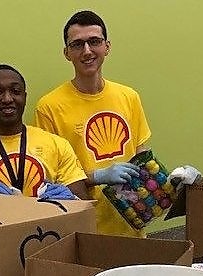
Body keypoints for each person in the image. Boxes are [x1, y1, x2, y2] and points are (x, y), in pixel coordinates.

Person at [34, 10, 152, 236]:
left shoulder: (129, 97)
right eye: (77, 44)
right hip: (83, 229)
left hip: (131, 225)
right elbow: (49, 181)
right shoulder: (49, 107)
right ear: (66, 53)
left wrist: (170, 182)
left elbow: (142, 156)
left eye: (94, 42)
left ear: (107, 46)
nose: (87, 51)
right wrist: (97, 176)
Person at [0, 64, 89, 200]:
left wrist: (72, 199)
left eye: (15, 91)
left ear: (24, 97)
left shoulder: (58, 145)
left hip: (53, 221)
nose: (7, 99)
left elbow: (84, 205)